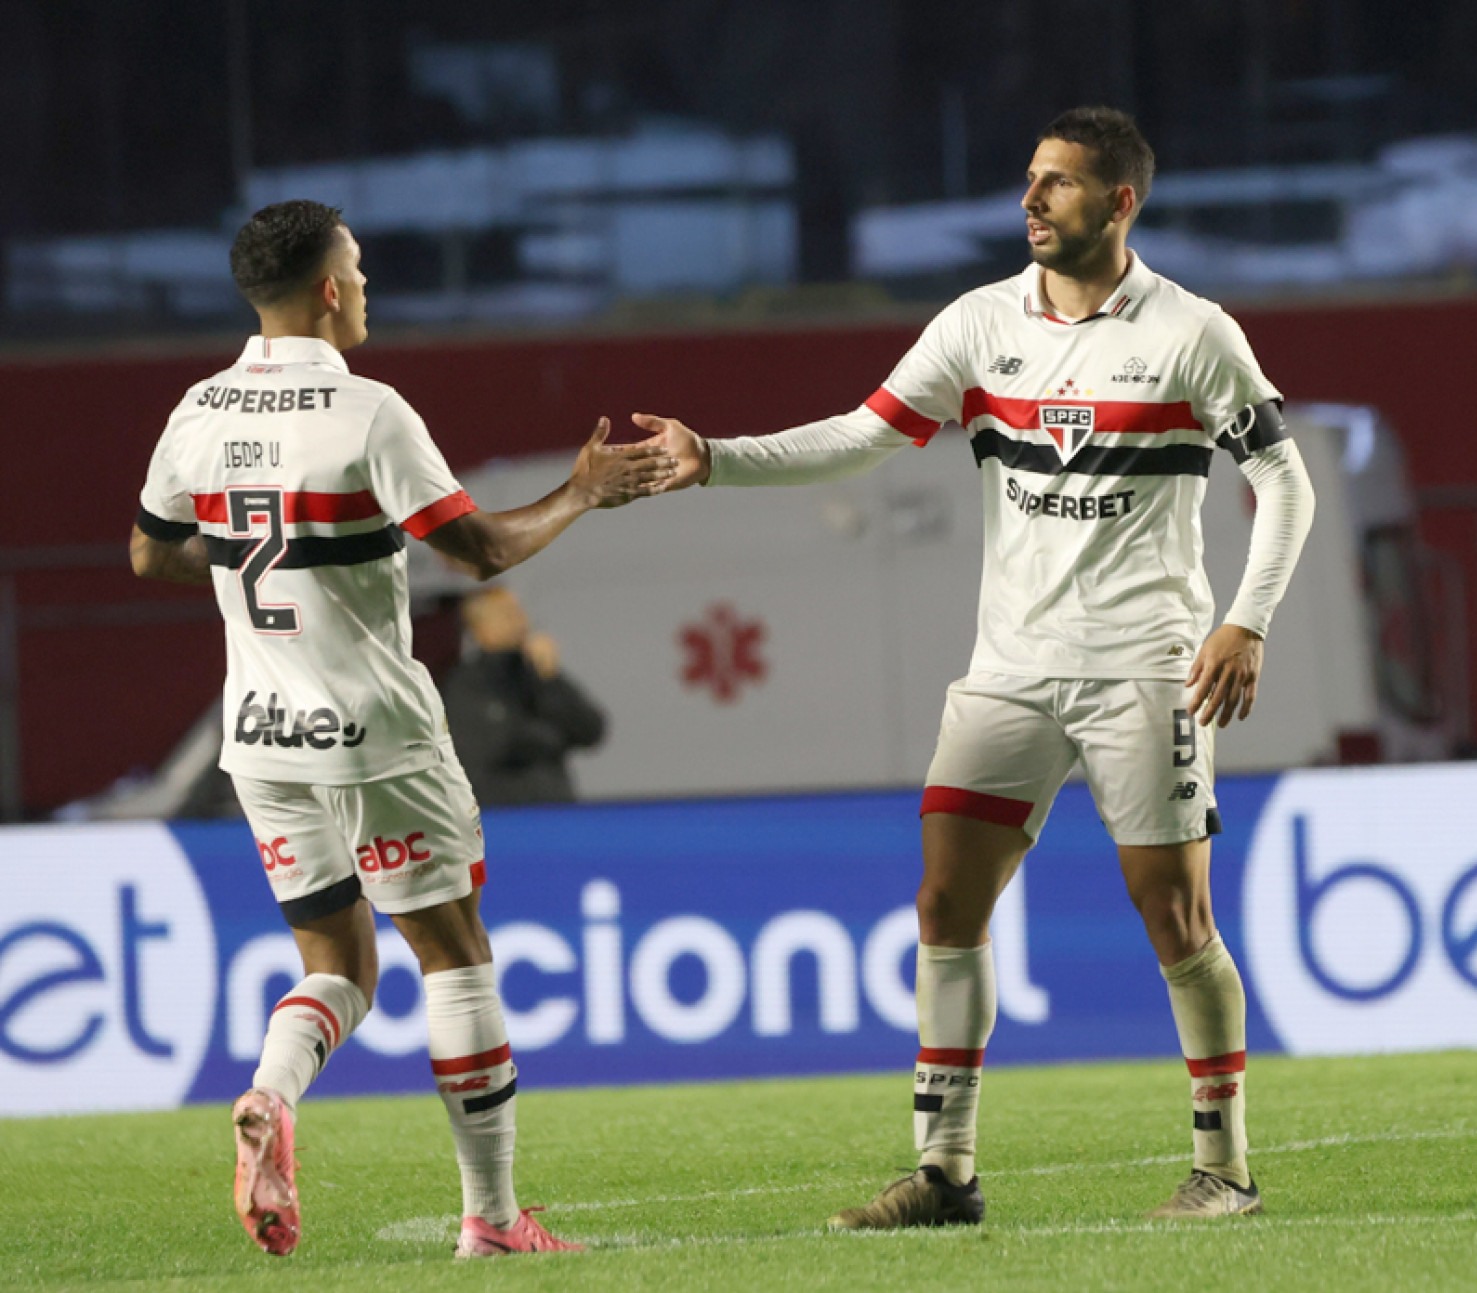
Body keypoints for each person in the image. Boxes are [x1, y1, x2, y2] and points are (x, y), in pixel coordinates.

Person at [634, 106, 1315, 1225]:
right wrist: (714, 459)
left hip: (1143, 670)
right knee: (946, 902)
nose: (1031, 200)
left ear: (1120, 202)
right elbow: (863, 433)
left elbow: (1286, 485)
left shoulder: (1193, 334)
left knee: (1174, 920)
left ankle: (1224, 1171)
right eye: (1030, 181)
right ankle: (945, 1172)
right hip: (1007, 670)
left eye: (1058, 183)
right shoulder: (979, 324)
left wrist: (1245, 622)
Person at [130, 200, 673, 1258]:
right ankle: (494, 1220)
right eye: (361, 268)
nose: (368, 286)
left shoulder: (194, 411)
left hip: (260, 739)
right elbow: (475, 551)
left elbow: (151, 555)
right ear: (329, 289)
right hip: (375, 734)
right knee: (455, 957)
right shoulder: (370, 412)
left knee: (337, 961)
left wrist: (262, 555)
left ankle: (269, 1092)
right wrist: (582, 492)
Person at [440, 586, 607, 805]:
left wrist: (550, 679)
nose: (520, 621)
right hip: (501, 817)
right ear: (480, 629)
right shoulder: (465, 686)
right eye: (507, 615)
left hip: (556, 811)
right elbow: (480, 755)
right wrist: (543, 738)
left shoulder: (538, 674)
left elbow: (591, 731)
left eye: (519, 612)